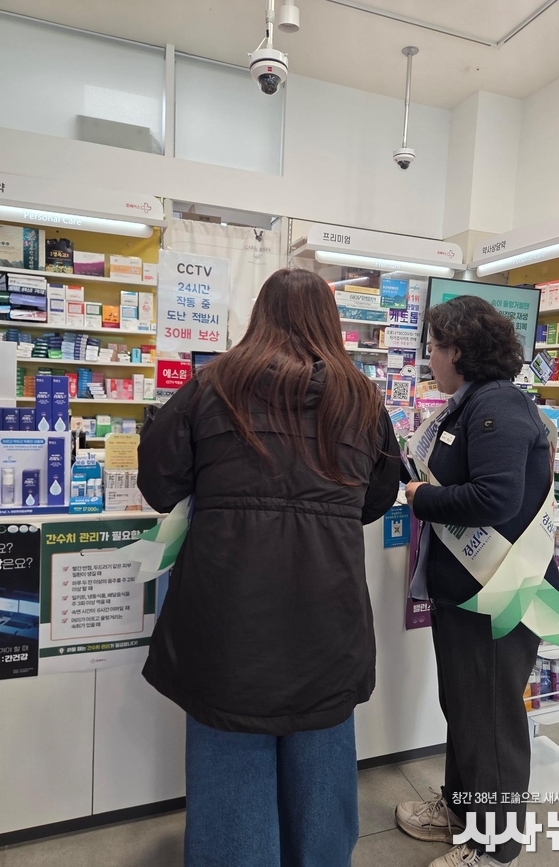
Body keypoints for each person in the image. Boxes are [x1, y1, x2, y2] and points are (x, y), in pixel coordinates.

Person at [138, 268, 400, 867]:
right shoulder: (362, 398)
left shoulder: (214, 384)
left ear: (260, 315)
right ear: (331, 323)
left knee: (230, 767)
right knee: (321, 761)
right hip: (328, 617)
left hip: (228, 619)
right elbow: (376, 501)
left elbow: (159, 484)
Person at [395, 295, 559, 867]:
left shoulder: (499, 404)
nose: (429, 360)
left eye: (434, 349)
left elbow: (496, 497)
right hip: (469, 590)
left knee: (490, 719)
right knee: (466, 708)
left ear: (458, 350)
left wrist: (422, 497)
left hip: (503, 592)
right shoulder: (465, 406)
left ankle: (494, 847)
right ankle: (460, 811)